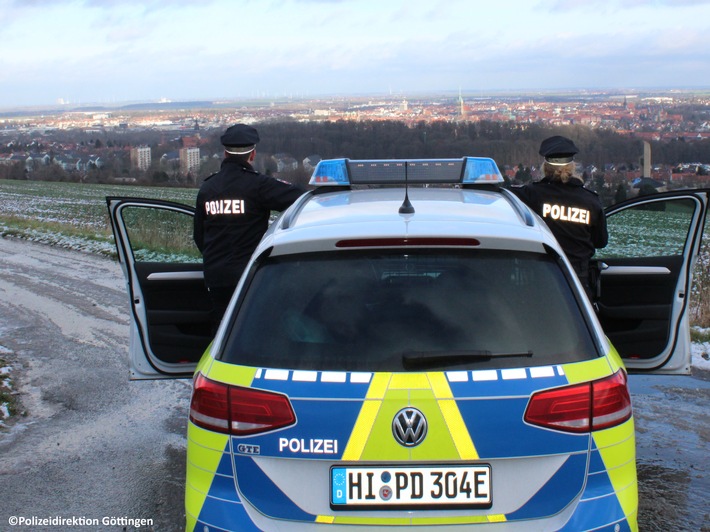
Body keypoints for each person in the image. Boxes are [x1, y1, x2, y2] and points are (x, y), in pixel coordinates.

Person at [194, 124, 305, 330]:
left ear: (225, 153)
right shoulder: (258, 185)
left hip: (216, 277)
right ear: (252, 154)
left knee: (222, 332)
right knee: (252, 329)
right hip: (249, 275)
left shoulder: (207, 188)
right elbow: (300, 198)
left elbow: (199, 235)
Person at [510, 135, 608, 299]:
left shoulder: (532, 195)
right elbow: (601, 242)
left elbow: (503, 194)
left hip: (541, 277)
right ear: (572, 167)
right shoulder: (591, 201)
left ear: (545, 167)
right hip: (578, 281)